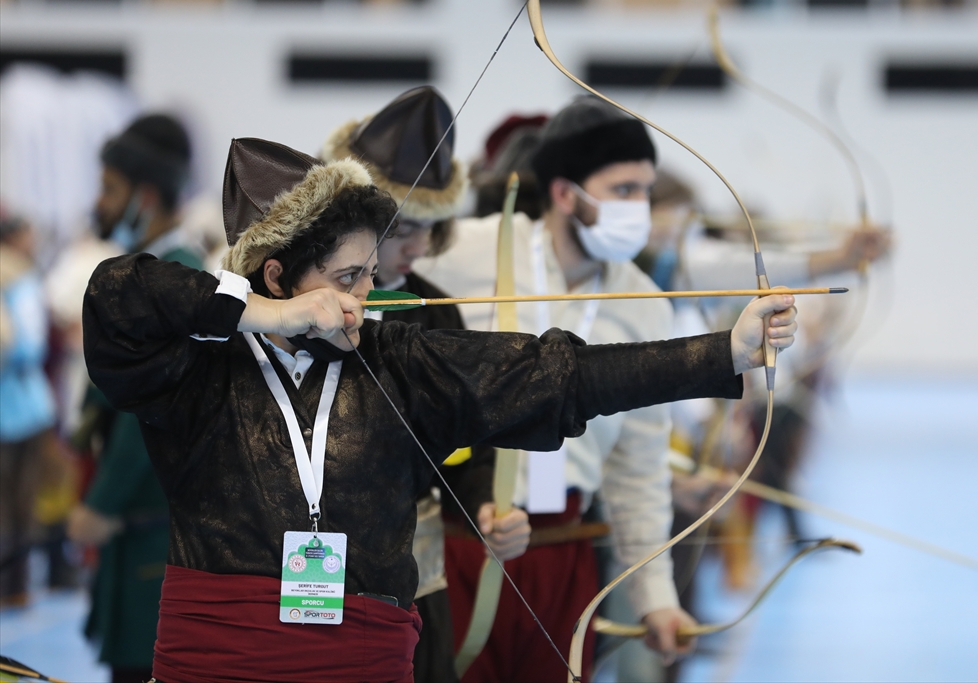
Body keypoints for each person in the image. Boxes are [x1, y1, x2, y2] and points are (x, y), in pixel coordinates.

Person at [81, 136, 798, 683]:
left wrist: (721, 354)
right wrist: (269, 315)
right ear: (277, 276)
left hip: (359, 655)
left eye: (369, 272)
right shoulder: (196, 369)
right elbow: (119, 293)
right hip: (216, 653)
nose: (366, 295)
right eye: (347, 277)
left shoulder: (397, 359)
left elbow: (559, 375)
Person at [415, 96, 704, 680]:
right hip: (464, 541)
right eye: (622, 190)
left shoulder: (644, 303)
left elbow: (638, 468)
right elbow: (379, 272)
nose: (639, 208)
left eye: (645, 191)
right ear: (565, 194)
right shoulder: (470, 253)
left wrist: (656, 599)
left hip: (567, 550)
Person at [321, 86, 532, 683]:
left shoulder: (433, 312)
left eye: (430, 229)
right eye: (403, 227)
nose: (418, 246)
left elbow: (468, 439)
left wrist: (489, 504)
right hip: (309, 570)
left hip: (415, 576)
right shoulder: (293, 310)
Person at [67, 113, 204, 683]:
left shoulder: (174, 275)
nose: (98, 203)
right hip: (139, 523)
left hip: (152, 523)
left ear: (145, 198)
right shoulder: (151, 270)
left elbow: (139, 412)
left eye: (109, 189)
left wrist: (101, 503)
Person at [0, 206, 56, 610]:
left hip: (21, 407)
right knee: (15, 504)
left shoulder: (21, 278)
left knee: (18, 504)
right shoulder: (21, 277)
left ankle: (15, 586)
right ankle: (15, 585)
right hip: (23, 406)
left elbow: (26, 346)